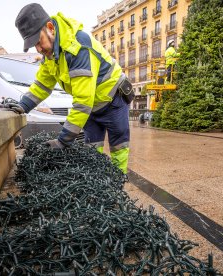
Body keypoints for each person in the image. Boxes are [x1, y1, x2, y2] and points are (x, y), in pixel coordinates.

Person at [11, 3, 133, 174]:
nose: (38, 49)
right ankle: (98, 185)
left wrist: (63, 141)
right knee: (92, 150)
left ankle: (119, 186)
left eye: (39, 41)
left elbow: (83, 101)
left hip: (114, 100)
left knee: (118, 147)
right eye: (34, 46)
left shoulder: (78, 47)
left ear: (50, 28)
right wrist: (23, 106)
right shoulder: (51, 55)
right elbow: (42, 85)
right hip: (92, 107)